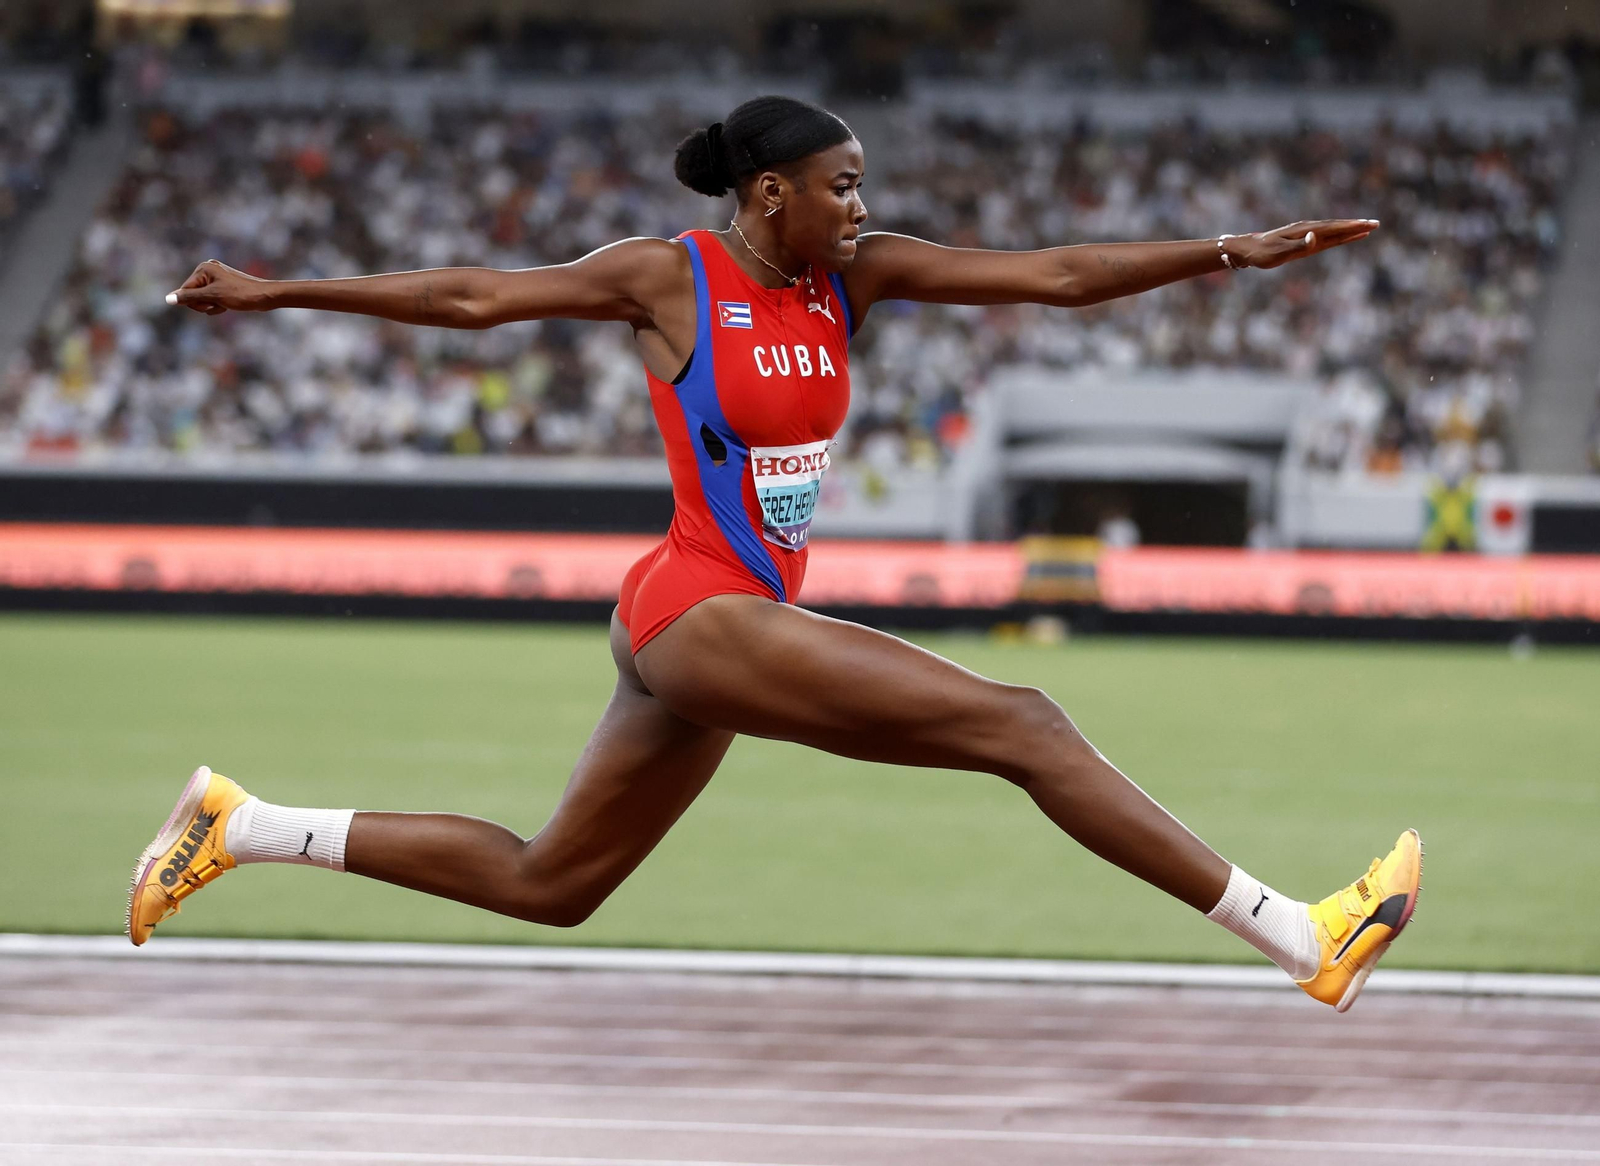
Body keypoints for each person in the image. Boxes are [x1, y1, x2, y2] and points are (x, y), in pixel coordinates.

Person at [130, 95, 1419, 1012]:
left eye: (862, 187)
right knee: (1024, 724)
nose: (863, 206)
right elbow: (468, 298)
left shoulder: (854, 279)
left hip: (711, 621)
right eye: (843, 185)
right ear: (770, 193)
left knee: (551, 884)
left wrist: (1228, 253)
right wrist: (278, 292)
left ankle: (243, 827)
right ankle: (1301, 938)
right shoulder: (669, 277)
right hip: (700, 610)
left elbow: (1062, 274)